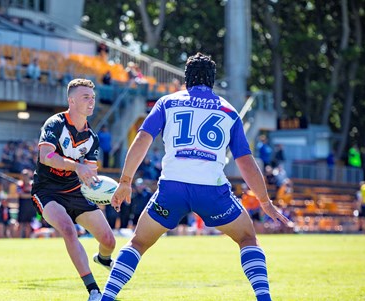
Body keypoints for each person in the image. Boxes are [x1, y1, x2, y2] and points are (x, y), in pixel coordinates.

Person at [101, 53, 291, 301]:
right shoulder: (229, 111)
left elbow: (142, 139)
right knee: (247, 238)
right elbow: (245, 160)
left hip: (172, 189)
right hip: (212, 191)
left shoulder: (167, 103)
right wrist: (265, 201)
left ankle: (106, 297)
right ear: (212, 81)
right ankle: (264, 299)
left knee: (137, 243)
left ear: (186, 79)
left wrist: (125, 181)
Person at [31, 78, 115, 301]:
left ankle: (104, 259)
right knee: (68, 229)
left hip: (76, 191)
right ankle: (93, 291)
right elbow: (46, 157)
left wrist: (109, 195)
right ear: (71, 101)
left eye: (93, 98)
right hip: (46, 190)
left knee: (109, 240)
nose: (91, 102)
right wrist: (76, 166)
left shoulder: (92, 139)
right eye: (85, 97)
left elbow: (90, 176)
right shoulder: (55, 123)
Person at [17, 168, 36, 238]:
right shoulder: (20, 184)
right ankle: (18, 238)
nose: (25, 177)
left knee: (29, 224)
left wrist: (28, 195)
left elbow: (34, 194)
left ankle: (28, 238)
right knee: (21, 224)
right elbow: (20, 195)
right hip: (22, 207)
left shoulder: (32, 184)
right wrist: (30, 195)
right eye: (24, 175)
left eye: (26, 175)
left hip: (30, 207)